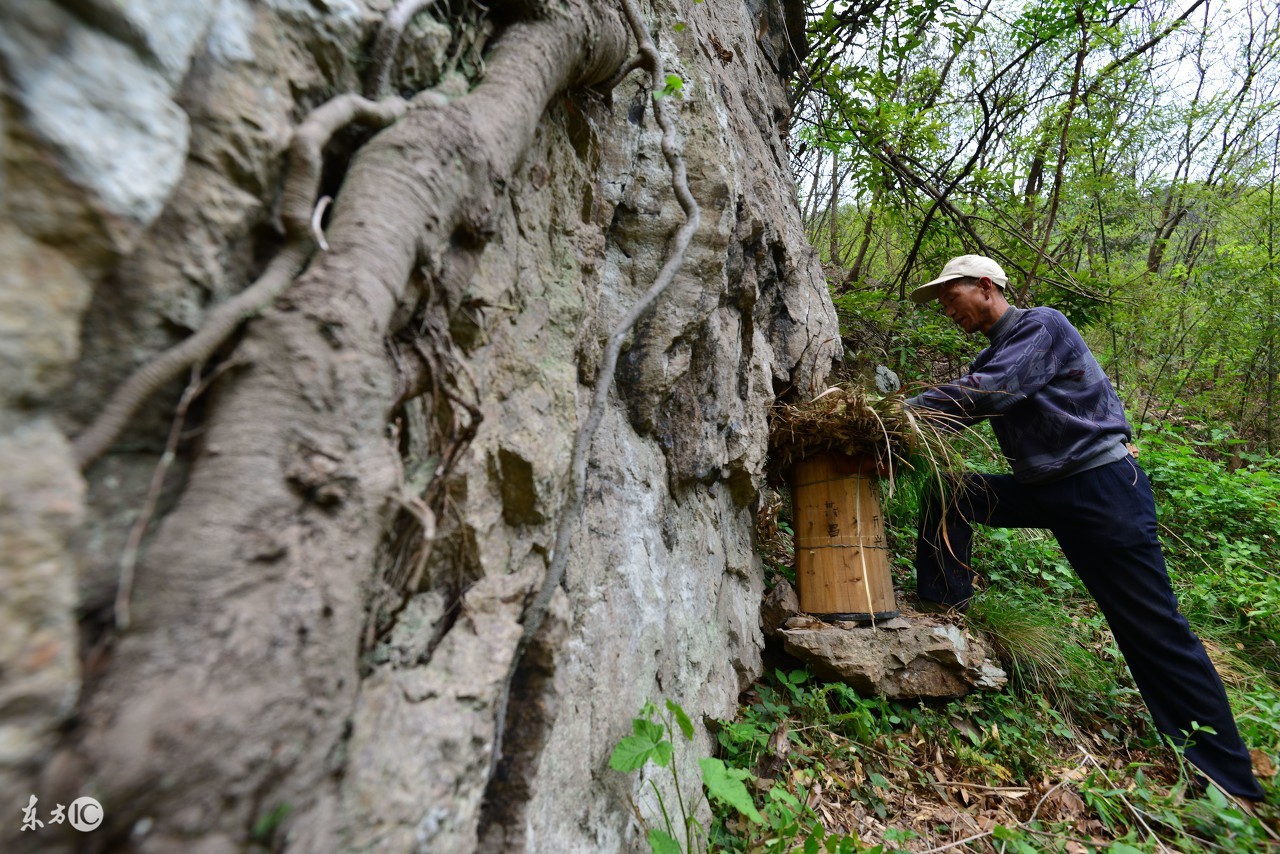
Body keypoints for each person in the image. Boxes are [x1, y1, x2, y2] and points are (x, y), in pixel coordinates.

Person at [904, 254, 1265, 802]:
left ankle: (1226, 776)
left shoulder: (1041, 325)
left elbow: (992, 391)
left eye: (950, 297)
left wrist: (893, 412)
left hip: (1101, 490)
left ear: (984, 287)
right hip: (1050, 489)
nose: (946, 310)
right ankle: (944, 607)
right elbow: (975, 394)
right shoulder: (996, 351)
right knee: (952, 493)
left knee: (1151, 627)